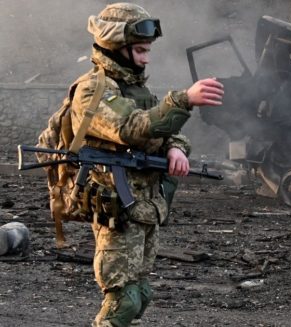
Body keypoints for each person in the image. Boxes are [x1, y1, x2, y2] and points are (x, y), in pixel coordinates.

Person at [71, 3, 224, 326]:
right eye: (140, 50)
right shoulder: (94, 89)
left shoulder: (134, 88)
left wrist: (176, 150)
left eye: (148, 50)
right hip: (117, 210)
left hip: (144, 206)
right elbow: (131, 128)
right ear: (115, 45)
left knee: (140, 295)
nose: (146, 58)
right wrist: (183, 100)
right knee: (122, 301)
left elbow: (164, 131)